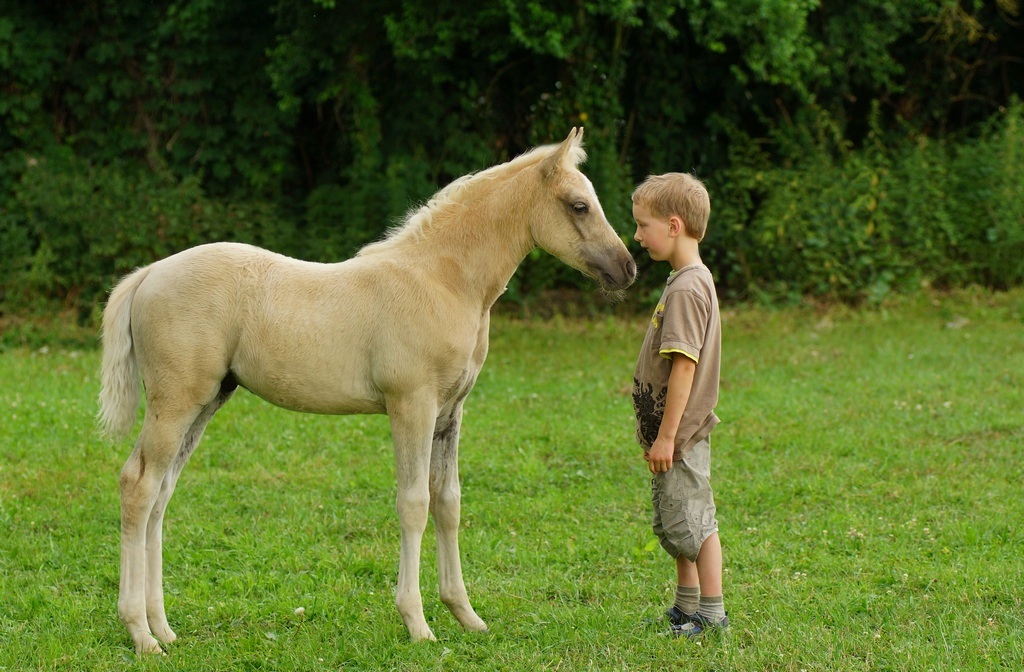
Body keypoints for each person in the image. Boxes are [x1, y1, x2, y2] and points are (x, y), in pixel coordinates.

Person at [630, 172, 728, 639]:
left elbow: (684, 368)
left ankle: (711, 615)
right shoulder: (685, 280)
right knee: (676, 523)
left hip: (681, 436)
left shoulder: (687, 289)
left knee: (696, 524)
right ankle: (686, 607)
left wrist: (667, 435)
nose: (636, 236)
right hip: (673, 436)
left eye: (642, 225)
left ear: (673, 226)